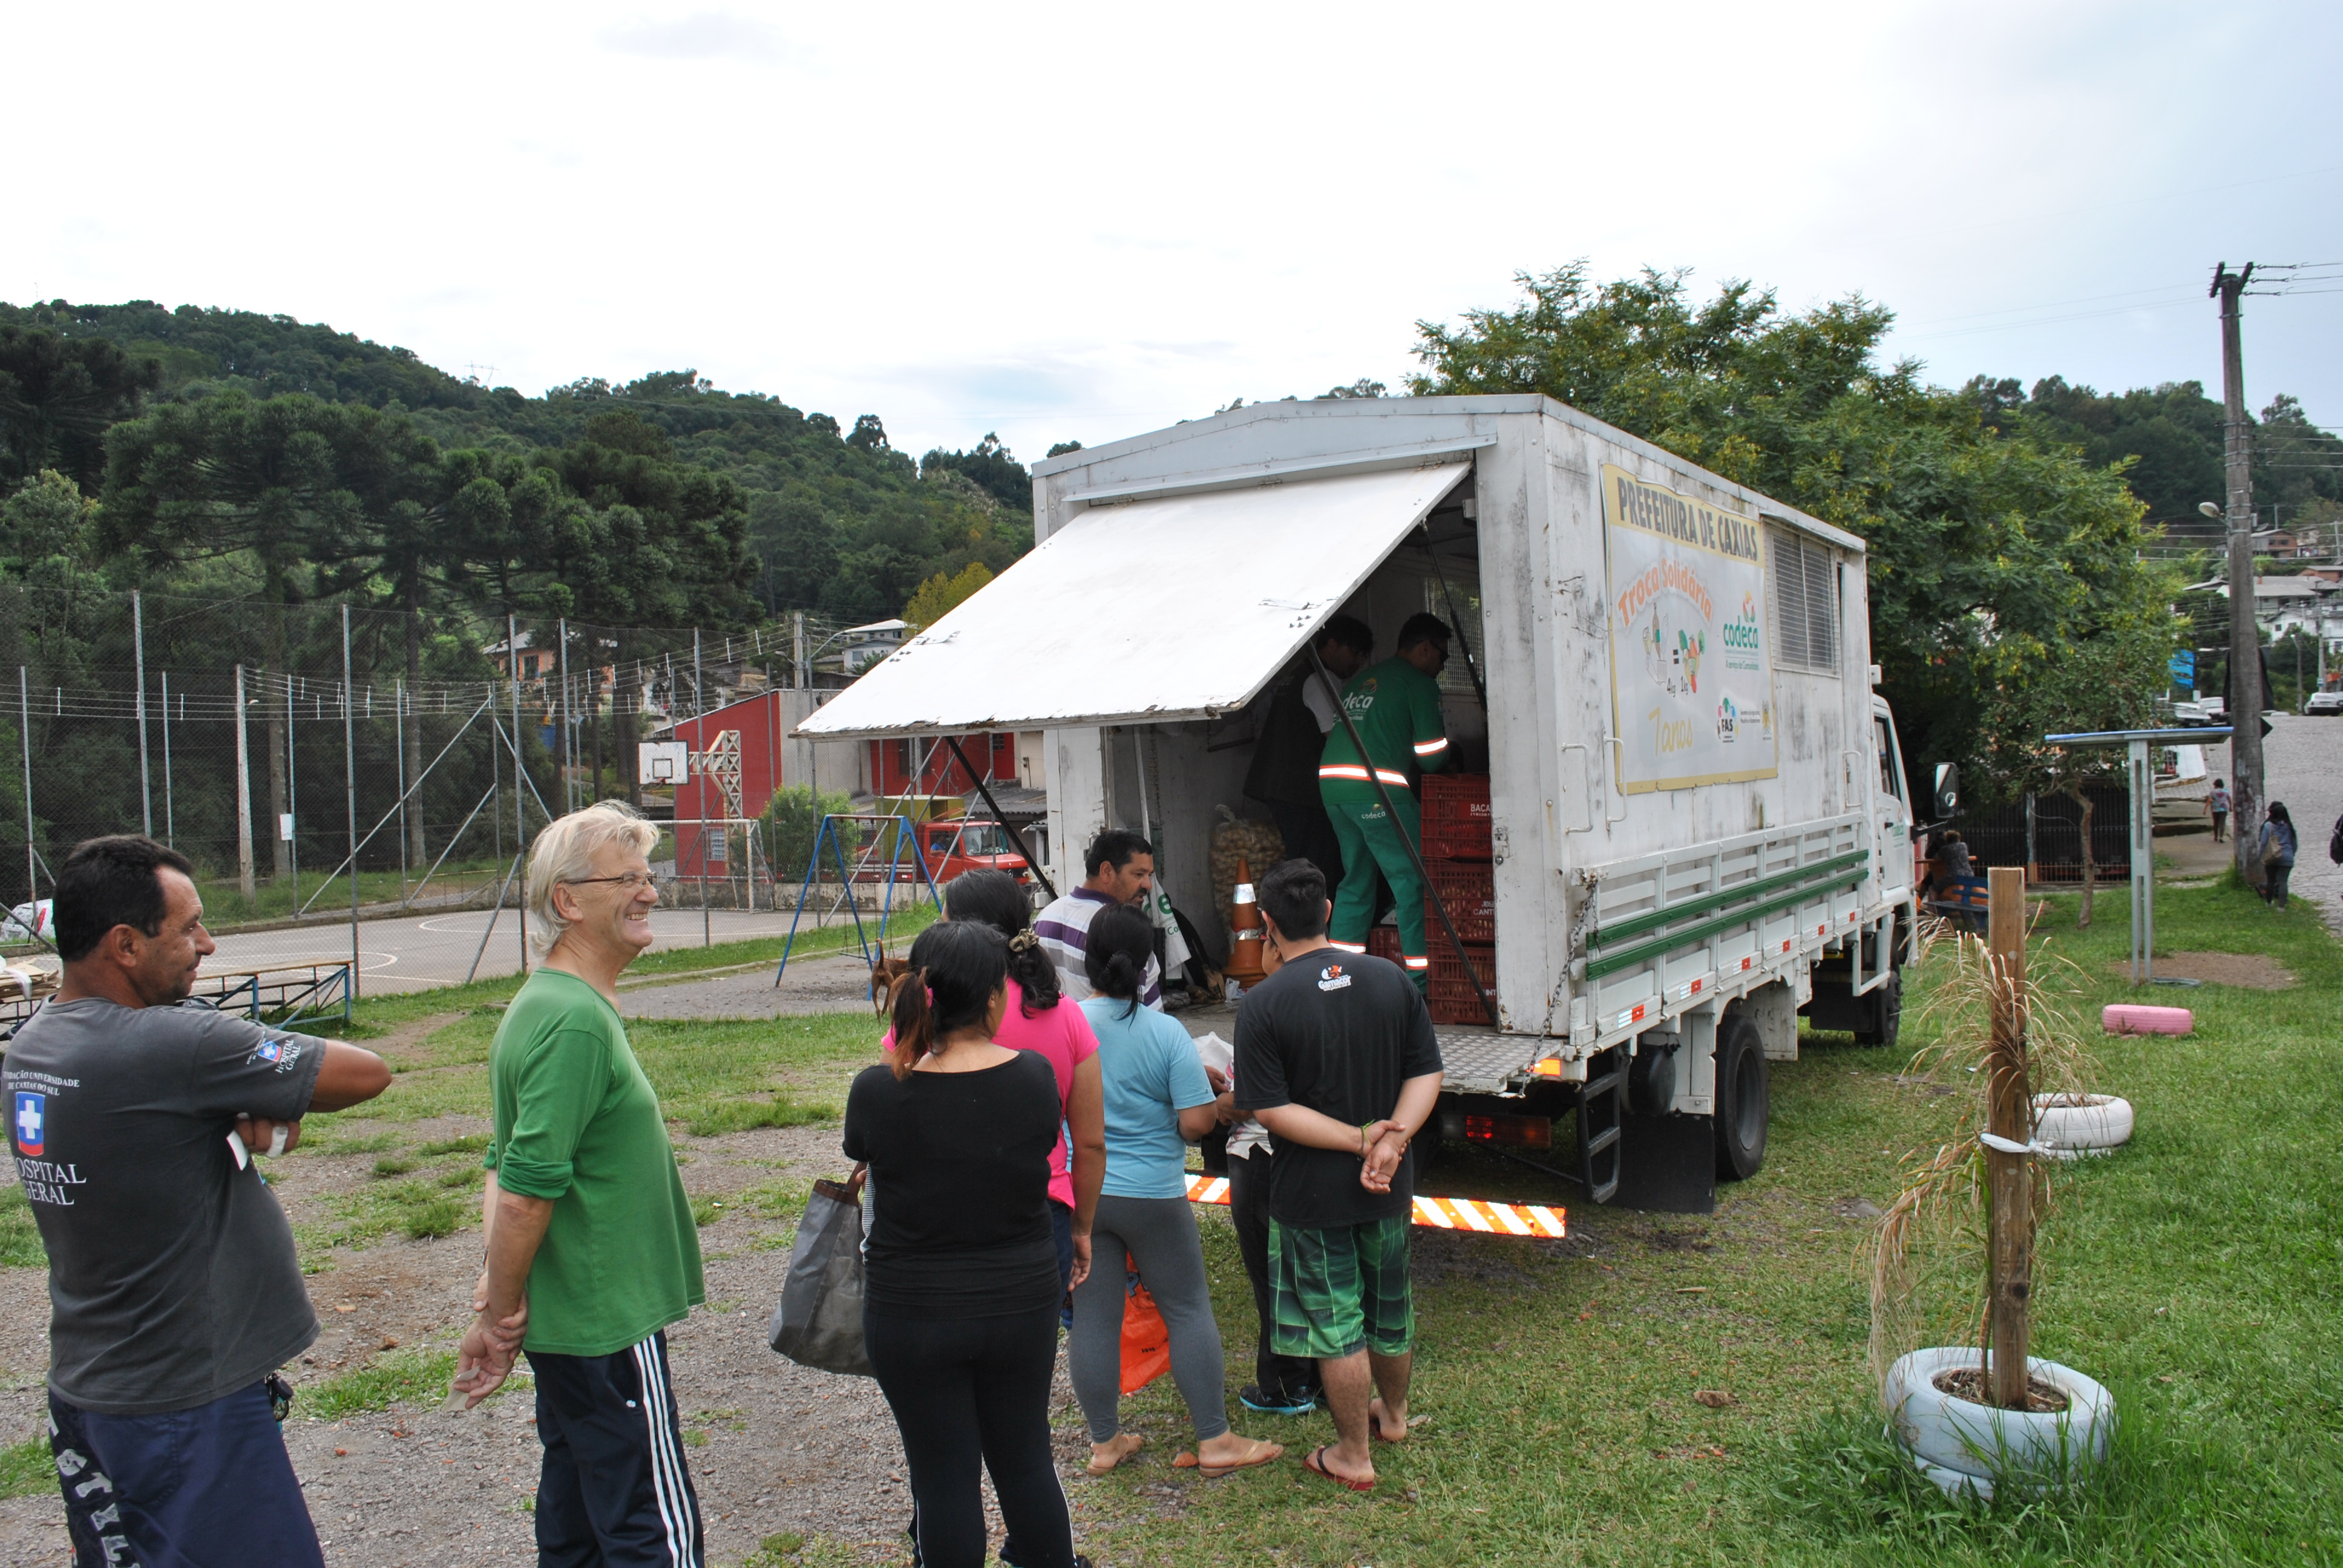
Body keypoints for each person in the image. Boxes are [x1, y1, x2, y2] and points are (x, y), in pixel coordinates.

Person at [5, 835, 392, 1567]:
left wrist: (231, 1108)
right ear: (125, 944)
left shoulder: (35, 1046)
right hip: (184, 1406)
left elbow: (150, 1131)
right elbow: (365, 1072)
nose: (206, 945)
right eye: (188, 928)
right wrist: (246, 1093)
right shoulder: (169, 1046)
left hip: (94, 1388)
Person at [454, 801, 710, 1567]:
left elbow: (506, 1166)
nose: (651, 893)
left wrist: (492, 1306)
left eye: (648, 875)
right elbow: (526, 1187)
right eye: (627, 879)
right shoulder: (570, 1019)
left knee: (576, 1525)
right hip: (605, 1321)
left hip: (577, 1326)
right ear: (567, 901)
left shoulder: (556, 1004)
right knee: (649, 1528)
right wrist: (498, 1313)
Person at [845, 922, 1087, 1568]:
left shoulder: (876, 1091)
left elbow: (867, 1154)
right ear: (992, 1000)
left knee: (942, 1476)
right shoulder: (1035, 1078)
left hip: (911, 1308)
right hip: (1017, 1298)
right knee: (1025, 1459)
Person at [1233, 858, 1444, 1494]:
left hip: (1308, 1195)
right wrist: (1392, 1139)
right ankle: (1396, 1417)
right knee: (1389, 1310)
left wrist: (1358, 1141)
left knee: (1335, 1325)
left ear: (1266, 923)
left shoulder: (1263, 1004)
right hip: (1387, 1185)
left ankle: (1353, 1453)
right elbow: (1425, 1072)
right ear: (1327, 911)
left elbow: (1269, 1109)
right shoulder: (1389, 980)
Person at [1069, 907, 1283, 1481]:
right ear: (1148, 968)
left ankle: (1104, 1443)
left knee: (1093, 1317)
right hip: (1153, 1194)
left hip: (1085, 1193)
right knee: (1188, 1308)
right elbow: (1194, 1126)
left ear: (1089, 959)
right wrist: (1205, 1099)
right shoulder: (1167, 1034)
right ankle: (1215, 1438)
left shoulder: (1067, 1024)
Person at [1318, 612, 1455, 985]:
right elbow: (1431, 757)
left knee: (1357, 879)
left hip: (1333, 789)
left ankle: (1338, 977)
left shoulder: (1360, 680)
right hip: (1376, 791)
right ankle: (1419, 983)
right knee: (1412, 881)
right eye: (1443, 658)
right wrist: (1448, 749)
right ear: (1425, 648)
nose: (1442, 667)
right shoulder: (1419, 685)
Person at [1244, 615, 1376, 890]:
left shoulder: (1297, 673)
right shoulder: (1320, 679)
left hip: (1283, 788)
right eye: (1354, 652)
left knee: (1304, 865)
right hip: (1302, 793)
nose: (1359, 662)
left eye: (1363, 656)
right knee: (1316, 868)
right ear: (1331, 644)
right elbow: (1337, 740)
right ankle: (1311, 927)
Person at [1035, 829, 1163, 1007]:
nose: (1148, 885)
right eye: (1139, 874)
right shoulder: (1124, 931)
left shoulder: (1047, 915)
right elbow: (1146, 1020)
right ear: (1107, 871)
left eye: (1149, 875)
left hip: (1062, 1034)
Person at [2258, 800, 2298, 908]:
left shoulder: (2268, 826)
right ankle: (2281, 907)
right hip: (2287, 856)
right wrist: (2291, 854)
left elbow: (2263, 843)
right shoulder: (2289, 826)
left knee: (2270, 880)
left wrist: (2260, 856)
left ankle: (2269, 903)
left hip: (2272, 856)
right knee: (2283, 882)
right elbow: (2294, 844)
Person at [2207, 778, 2232, 842]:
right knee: (2222, 823)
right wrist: (2231, 807)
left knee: (2216, 823)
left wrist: (2206, 808)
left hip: (2215, 809)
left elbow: (2210, 800)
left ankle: (2216, 836)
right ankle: (2221, 837)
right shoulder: (2226, 791)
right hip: (2224, 809)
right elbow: (2229, 799)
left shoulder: (2212, 792)